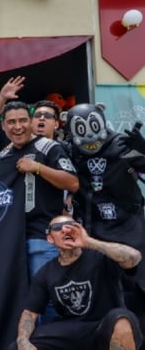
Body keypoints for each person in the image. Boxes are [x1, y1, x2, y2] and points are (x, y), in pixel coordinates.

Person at [66, 103, 145, 335]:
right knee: (106, 291)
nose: (89, 134)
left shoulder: (122, 145)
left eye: (92, 126)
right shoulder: (69, 151)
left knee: (137, 285)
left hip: (130, 227)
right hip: (94, 230)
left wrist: (143, 154)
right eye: (81, 128)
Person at [0, 101, 80, 324]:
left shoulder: (49, 147)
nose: (18, 127)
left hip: (43, 238)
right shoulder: (3, 155)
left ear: (31, 122)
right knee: (22, 301)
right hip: (12, 241)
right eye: (11, 122)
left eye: (23, 120)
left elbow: (72, 183)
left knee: (49, 299)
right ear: (4, 127)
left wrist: (38, 168)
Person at [12, 215, 142, 350]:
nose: (65, 229)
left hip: (105, 324)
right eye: (57, 227)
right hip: (73, 329)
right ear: (50, 238)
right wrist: (22, 339)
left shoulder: (101, 257)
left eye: (71, 225)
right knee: (20, 346)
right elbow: (30, 313)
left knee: (122, 319)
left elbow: (134, 257)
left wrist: (88, 241)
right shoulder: (45, 273)